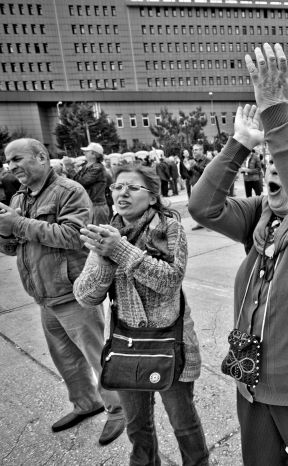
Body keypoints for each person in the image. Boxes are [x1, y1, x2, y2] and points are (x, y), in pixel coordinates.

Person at [189, 43, 288, 466]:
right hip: (251, 382)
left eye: (282, 164)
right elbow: (202, 207)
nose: (273, 169)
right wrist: (240, 143)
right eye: (268, 164)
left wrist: (276, 111)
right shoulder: (259, 213)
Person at [0, 138, 125, 445]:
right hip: (44, 294)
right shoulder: (19, 197)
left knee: (97, 355)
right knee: (66, 358)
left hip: (73, 292)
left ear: (42, 157)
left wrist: (17, 224)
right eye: (8, 161)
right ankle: (86, 403)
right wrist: (2, 231)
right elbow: (11, 247)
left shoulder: (69, 190)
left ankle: (119, 410)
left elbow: (73, 236)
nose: (11, 166)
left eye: (17, 158)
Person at [73, 166, 208, 466]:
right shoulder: (106, 233)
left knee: (184, 424)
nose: (122, 193)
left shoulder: (170, 228)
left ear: (152, 197)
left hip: (170, 343)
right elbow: (85, 296)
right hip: (126, 345)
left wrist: (120, 250)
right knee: (137, 426)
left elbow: (170, 281)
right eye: (117, 187)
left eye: (133, 188)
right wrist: (104, 261)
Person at [73, 142, 111, 225]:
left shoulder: (97, 167)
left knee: (99, 230)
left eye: (87, 151)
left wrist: (72, 170)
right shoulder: (87, 166)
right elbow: (75, 181)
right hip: (90, 205)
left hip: (97, 206)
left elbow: (82, 182)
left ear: (94, 154)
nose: (84, 153)